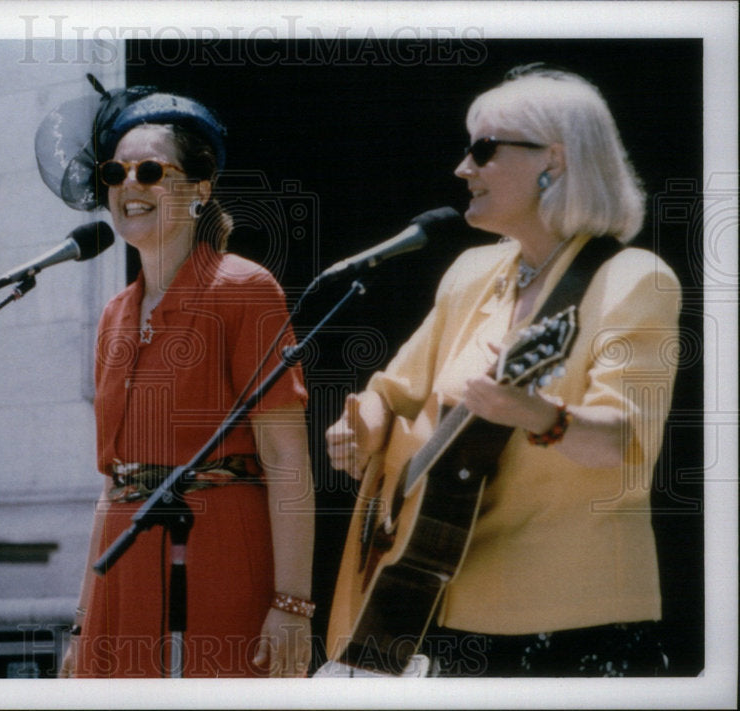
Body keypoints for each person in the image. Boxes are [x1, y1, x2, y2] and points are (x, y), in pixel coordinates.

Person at [326, 65, 680, 676]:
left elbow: (622, 442)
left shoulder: (634, 280)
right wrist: (363, 426)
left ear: (556, 160)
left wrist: (540, 415)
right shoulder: (471, 274)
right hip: (438, 603)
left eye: (484, 150)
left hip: (568, 615)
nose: (463, 169)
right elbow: (394, 392)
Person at [59, 90, 315, 678]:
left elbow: (286, 456)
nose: (129, 185)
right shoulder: (113, 314)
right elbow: (111, 485)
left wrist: (292, 605)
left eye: (150, 170)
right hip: (120, 572)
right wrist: (81, 621)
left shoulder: (245, 288)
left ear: (201, 189)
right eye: (115, 173)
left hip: (219, 553)